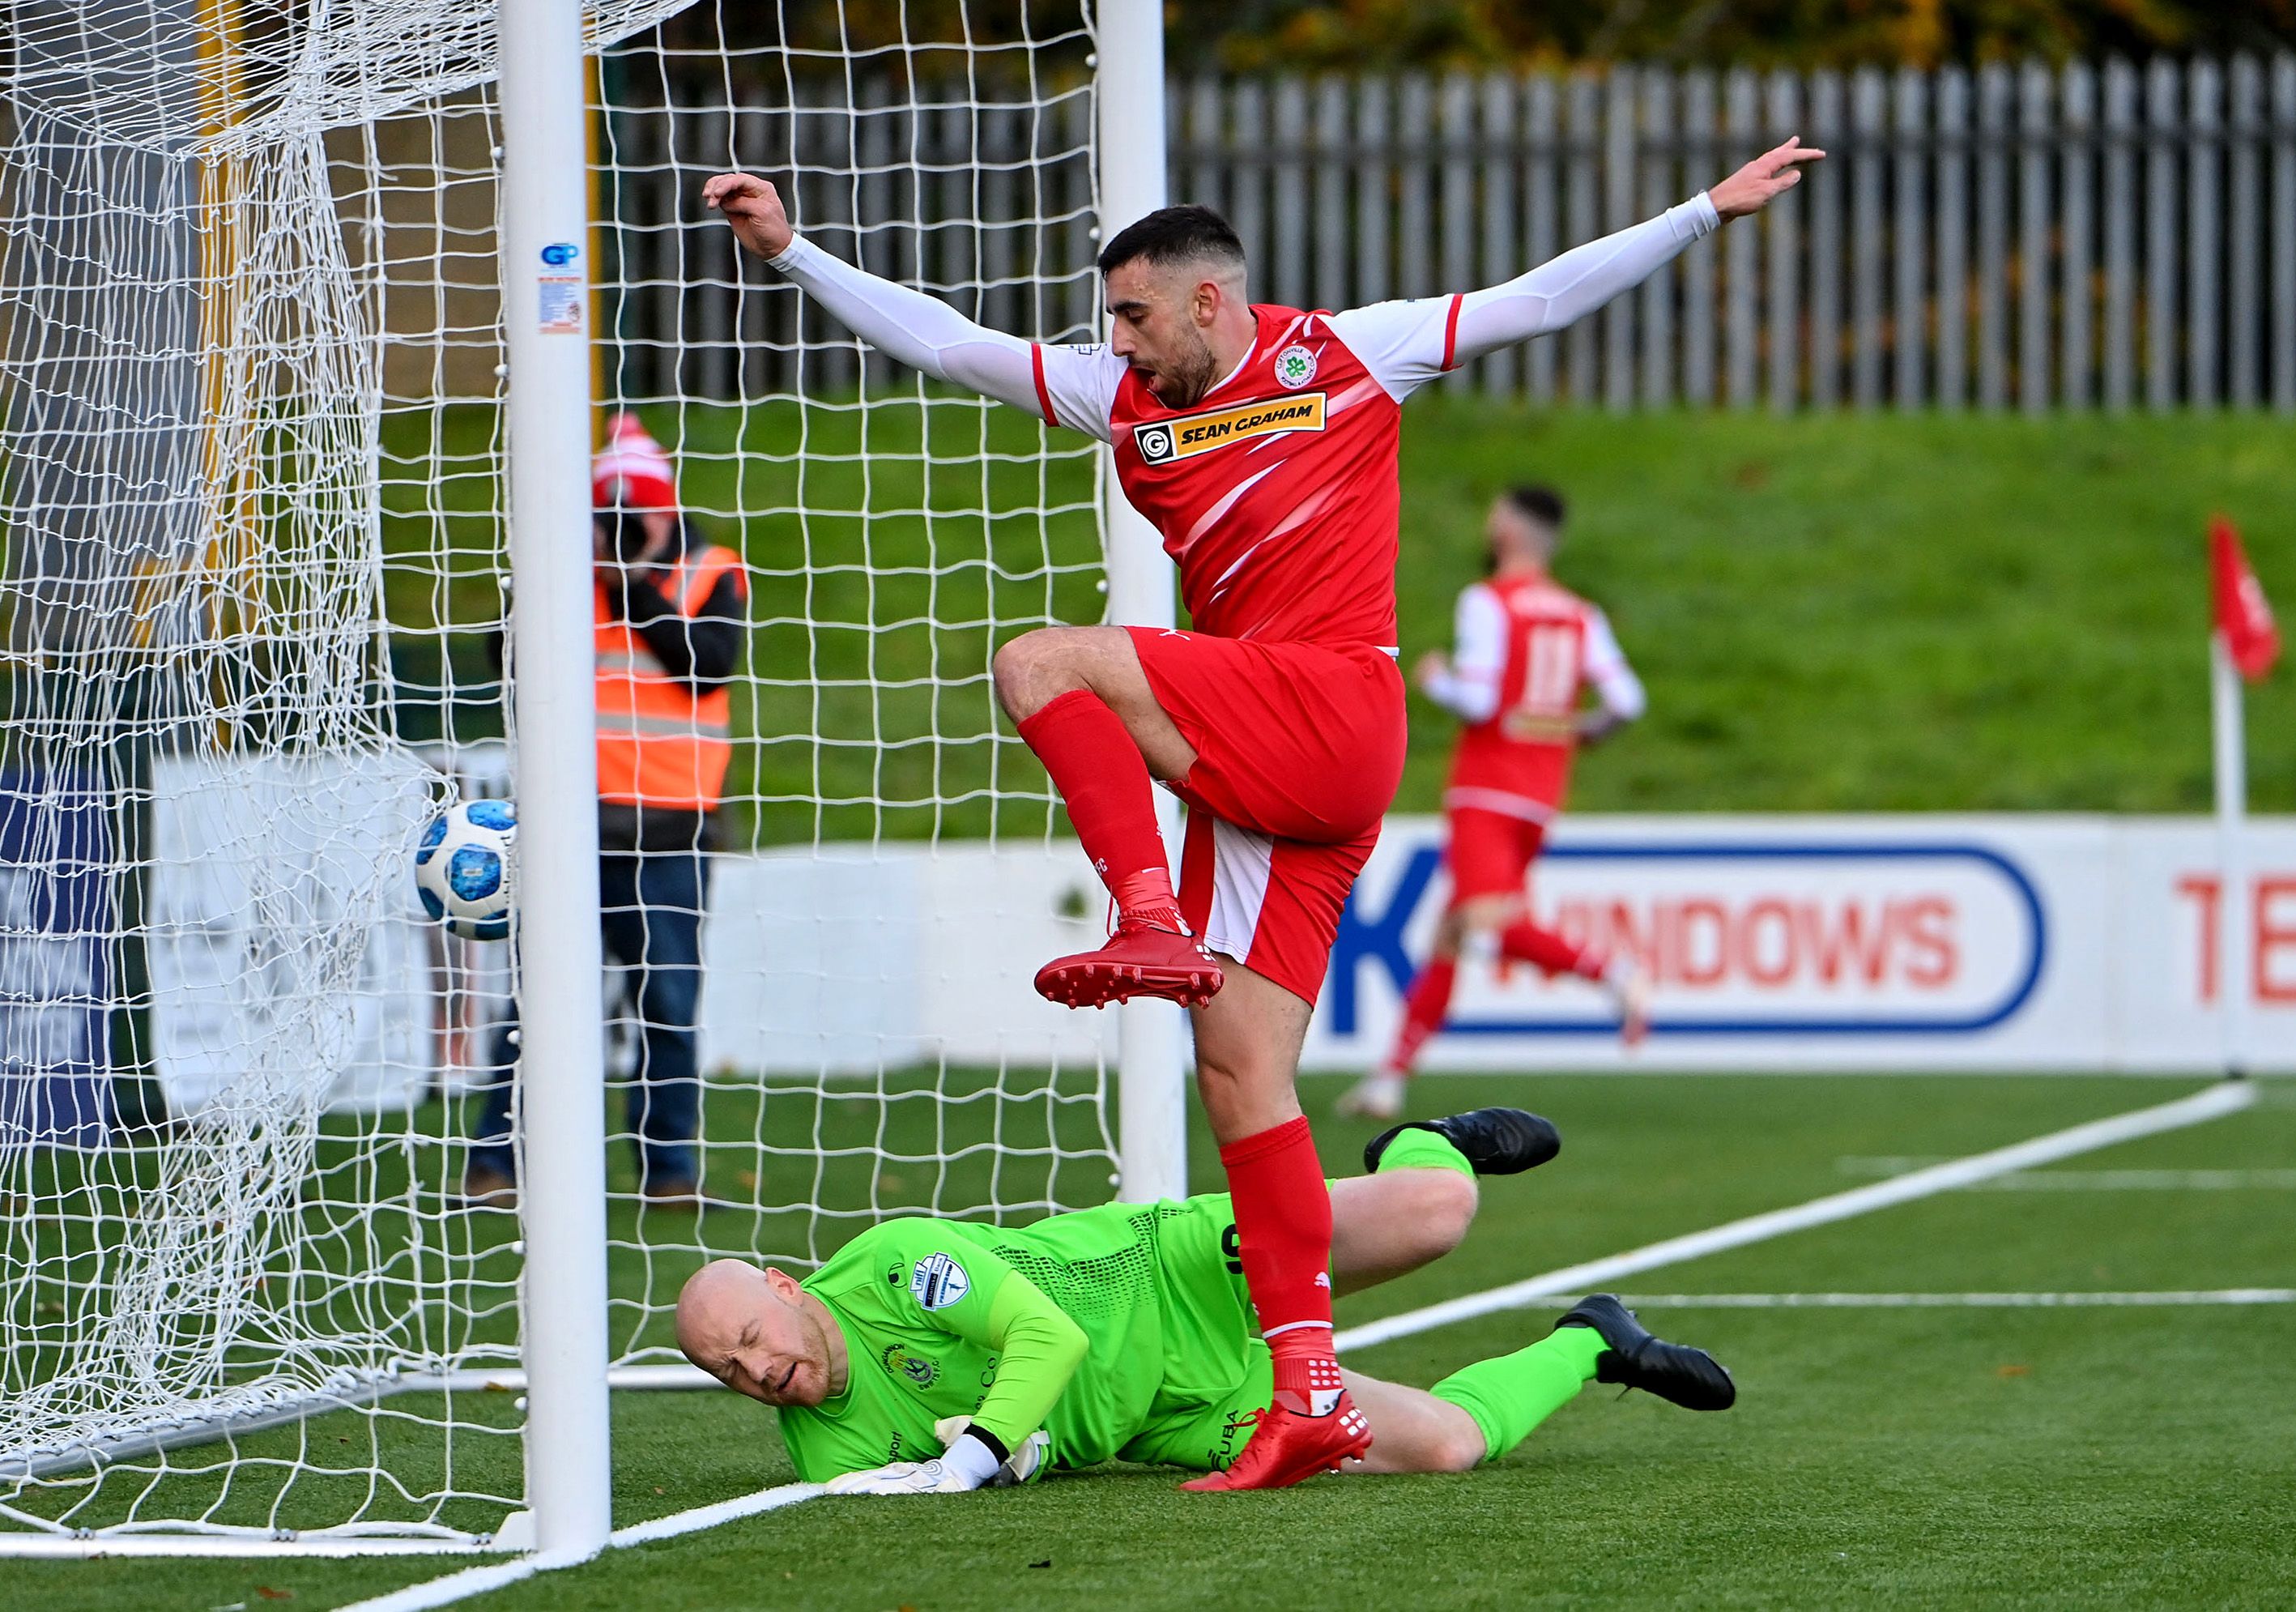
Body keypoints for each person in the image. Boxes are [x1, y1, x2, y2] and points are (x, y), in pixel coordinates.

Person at [703, 135, 1817, 1487]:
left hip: (1332, 708)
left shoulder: (1352, 353)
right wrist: (793, 253)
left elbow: (1539, 295)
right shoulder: (1120, 396)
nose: (1114, 336)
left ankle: (1147, 915)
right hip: (1254, 766)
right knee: (1241, 1081)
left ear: (1210, 300)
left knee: (1040, 659)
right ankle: (1305, 1395)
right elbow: (946, 344)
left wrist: (1703, 211)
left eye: (1132, 311)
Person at [675, 1107, 1734, 1491]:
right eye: (729, 1372)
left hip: (1174, 1271)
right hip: (1180, 1407)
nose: (759, 1371)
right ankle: (1597, 1340)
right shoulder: (824, 1448)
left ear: (784, 1285)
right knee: (1451, 1446)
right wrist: (1023, 1455)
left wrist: (981, 1449)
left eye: (753, 1338)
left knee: (1436, 1213)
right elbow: (991, 1457)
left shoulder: (896, 1261)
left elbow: (1047, 1335)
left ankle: (1430, 1138)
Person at [464, 414, 749, 1210]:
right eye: (608, 518)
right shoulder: (568, 574)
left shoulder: (709, 569)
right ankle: (493, 1162)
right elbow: (504, 658)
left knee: (669, 1007)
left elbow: (707, 666)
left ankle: (669, 1176)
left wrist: (633, 584)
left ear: (666, 510)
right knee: (539, 1001)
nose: (622, 532)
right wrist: (552, 570)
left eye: (635, 516)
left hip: (670, 831)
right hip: (572, 829)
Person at [1338, 487, 1651, 1124]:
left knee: (1485, 924)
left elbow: (1479, 703)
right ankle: (1389, 1079)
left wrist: (1434, 682)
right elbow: (1627, 700)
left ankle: (1614, 974)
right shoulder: (1577, 612)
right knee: (1453, 934)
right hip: (1539, 795)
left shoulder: (1487, 602)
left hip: (1485, 787)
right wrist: (1580, 732)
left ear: (1507, 529)